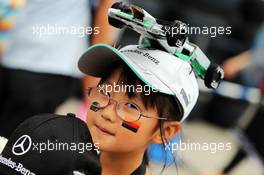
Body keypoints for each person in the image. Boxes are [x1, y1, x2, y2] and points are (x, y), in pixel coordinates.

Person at [0, 0, 117, 138]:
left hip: (50, 66)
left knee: (17, 143)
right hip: (11, 56)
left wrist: (96, 74)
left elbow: (107, 6)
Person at [77, 43, 200, 174]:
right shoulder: (61, 159)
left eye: (131, 106)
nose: (107, 113)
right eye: (104, 92)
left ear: (165, 131)